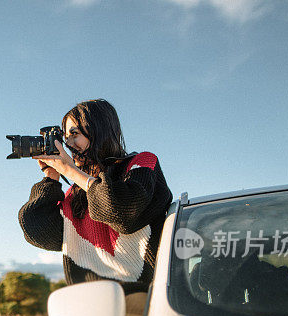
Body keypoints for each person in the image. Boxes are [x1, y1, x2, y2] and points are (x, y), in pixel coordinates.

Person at [18, 99, 173, 294]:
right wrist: (51, 176)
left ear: (100, 131)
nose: (68, 144)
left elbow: (121, 213)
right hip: (90, 304)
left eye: (74, 134)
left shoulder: (141, 163)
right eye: (66, 137)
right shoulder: (75, 194)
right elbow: (38, 232)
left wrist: (71, 171)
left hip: (148, 298)